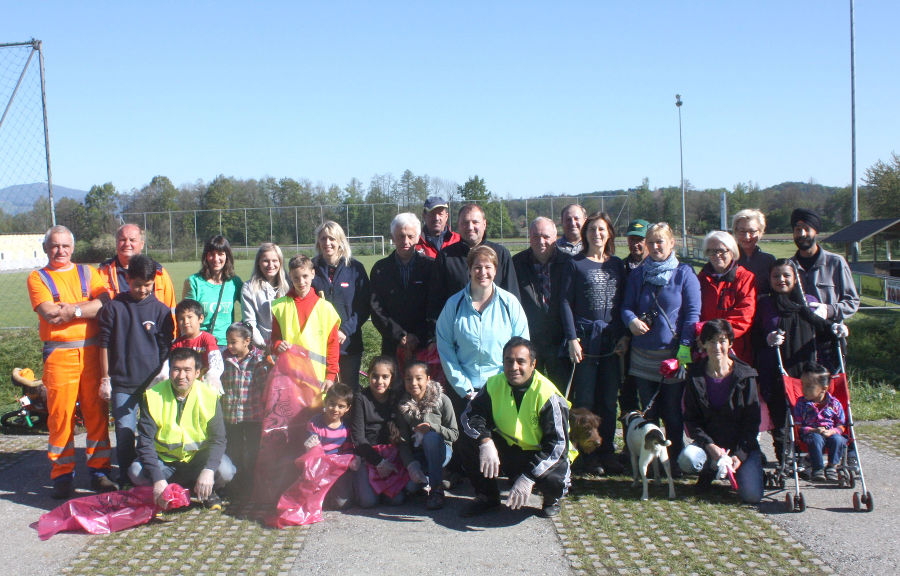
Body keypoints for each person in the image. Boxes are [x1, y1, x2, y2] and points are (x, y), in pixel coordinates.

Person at [27, 225, 115, 498]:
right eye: (54, 245)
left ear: (73, 248)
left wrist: (73, 309)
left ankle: (100, 471)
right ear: (45, 248)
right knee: (60, 417)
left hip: (92, 353)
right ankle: (62, 475)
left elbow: (104, 302)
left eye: (65, 246)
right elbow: (50, 314)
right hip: (59, 355)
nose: (60, 251)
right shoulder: (37, 278)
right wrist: (85, 309)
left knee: (96, 414)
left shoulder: (89, 272)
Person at [460, 337, 574, 518]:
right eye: (509, 361)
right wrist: (485, 441)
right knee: (468, 440)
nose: (514, 367)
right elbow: (471, 415)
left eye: (521, 361)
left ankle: (551, 499)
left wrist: (528, 478)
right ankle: (487, 496)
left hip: (541, 454)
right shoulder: (493, 384)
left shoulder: (548, 394)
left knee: (554, 481)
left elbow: (557, 446)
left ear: (533, 364)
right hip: (509, 449)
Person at [621, 222, 701, 470]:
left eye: (660, 242)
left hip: (672, 357)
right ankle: (652, 463)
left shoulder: (684, 274)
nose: (655, 247)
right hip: (643, 357)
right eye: (651, 242)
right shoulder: (638, 274)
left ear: (671, 243)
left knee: (673, 413)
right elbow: (625, 307)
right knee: (650, 413)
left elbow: (692, 314)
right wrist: (631, 320)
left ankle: (675, 459)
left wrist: (684, 350)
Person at [754, 259, 845, 461]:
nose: (781, 280)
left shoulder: (809, 301)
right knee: (779, 413)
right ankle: (784, 457)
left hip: (805, 368)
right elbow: (756, 334)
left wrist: (836, 330)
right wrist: (768, 339)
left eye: (786, 275)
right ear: (769, 279)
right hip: (774, 367)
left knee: (808, 413)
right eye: (776, 276)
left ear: (795, 279)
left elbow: (821, 329)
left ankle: (812, 456)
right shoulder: (764, 304)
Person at [98, 254, 175, 485]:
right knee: (124, 434)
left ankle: (152, 475)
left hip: (153, 386)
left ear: (154, 282)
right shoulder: (114, 308)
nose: (142, 290)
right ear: (127, 280)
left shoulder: (161, 311)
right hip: (123, 384)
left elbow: (166, 348)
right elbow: (103, 345)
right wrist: (105, 379)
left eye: (148, 285)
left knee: (152, 433)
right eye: (137, 284)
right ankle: (126, 479)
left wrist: (164, 375)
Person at [560, 212, 628, 475]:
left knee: (609, 399)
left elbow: (622, 304)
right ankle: (586, 454)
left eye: (601, 230)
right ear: (585, 234)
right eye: (591, 230)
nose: (596, 234)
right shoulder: (575, 264)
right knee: (585, 399)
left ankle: (607, 451)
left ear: (609, 233)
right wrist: (572, 338)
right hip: (585, 340)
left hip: (611, 341)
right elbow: (565, 302)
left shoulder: (617, 265)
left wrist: (623, 336)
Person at [130, 347, 235, 510]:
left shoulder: (209, 396)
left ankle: (207, 489)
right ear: (169, 370)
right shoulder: (153, 396)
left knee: (226, 471)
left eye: (187, 370)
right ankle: (164, 491)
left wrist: (208, 470)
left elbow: (218, 439)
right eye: (176, 369)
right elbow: (145, 441)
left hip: (197, 461)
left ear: (198, 372)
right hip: (165, 462)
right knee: (136, 472)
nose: (181, 376)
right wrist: (157, 478)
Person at [436, 245, 530, 423]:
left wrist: (503, 383)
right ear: (469, 270)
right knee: (466, 447)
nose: (482, 272)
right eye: (477, 267)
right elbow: (445, 347)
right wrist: (464, 388)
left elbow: (522, 347)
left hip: (503, 389)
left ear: (495, 270)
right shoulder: (453, 304)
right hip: (464, 393)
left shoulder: (510, 303)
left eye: (488, 267)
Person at [678, 319, 764, 504]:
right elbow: (691, 420)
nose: (717, 346)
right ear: (703, 344)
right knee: (687, 459)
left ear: (730, 343)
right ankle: (709, 468)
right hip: (710, 444)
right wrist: (710, 446)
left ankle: (743, 468)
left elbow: (752, 423)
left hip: (741, 444)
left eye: (722, 340)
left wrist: (739, 456)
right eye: (711, 341)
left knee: (752, 496)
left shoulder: (746, 375)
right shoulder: (694, 376)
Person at [428, 204, 519, 324]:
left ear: (484, 224)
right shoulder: (445, 256)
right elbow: (435, 301)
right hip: (457, 331)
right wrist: (434, 337)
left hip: (496, 330)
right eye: (465, 223)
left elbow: (512, 297)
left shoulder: (501, 254)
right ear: (458, 226)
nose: (470, 227)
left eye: (475, 222)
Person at [512, 216, 571, 388]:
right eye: (536, 236)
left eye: (546, 236)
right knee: (528, 389)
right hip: (530, 339)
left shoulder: (568, 263)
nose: (541, 241)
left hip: (559, 340)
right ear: (529, 237)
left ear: (556, 237)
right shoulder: (517, 263)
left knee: (560, 391)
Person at [312, 221, 371, 390]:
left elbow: (364, 306)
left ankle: (352, 418)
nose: (327, 243)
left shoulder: (355, 268)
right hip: (318, 346)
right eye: (323, 238)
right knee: (321, 393)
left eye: (332, 238)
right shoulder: (311, 268)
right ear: (318, 242)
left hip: (348, 346)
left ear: (340, 241)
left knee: (347, 392)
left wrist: (345, 330)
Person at [394, 360, 459, 510]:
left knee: (430, 438)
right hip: (419, 454)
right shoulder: (403, 406)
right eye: (408, 379)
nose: (413, 383)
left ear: (428, 379)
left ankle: (436, 490)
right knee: (411, 488)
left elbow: (454, 434)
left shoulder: (442, 400)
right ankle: (441, 477)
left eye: (419, 378)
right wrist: (411, 465)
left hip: (441, 450)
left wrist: (433, 428)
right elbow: (403, 441)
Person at [271, 254, 341, 390]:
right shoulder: (280, 307)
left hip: (318, 379)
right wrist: (278, 345)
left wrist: (331, 375)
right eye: (296, 277)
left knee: (317, 411)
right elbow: (274, 339)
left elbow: (332, 345)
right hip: (289, 377)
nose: (301, 282)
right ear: (290, 276)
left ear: (313, 274)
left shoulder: (326, 308)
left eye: (305, 276)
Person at [370, 212, 435, 357]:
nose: (406, 241)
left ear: (418, 238)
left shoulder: (430, 267)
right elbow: (376, 309)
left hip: (423, 344)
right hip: (392, 345)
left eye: (410, 236)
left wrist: (418, 336)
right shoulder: (380, 269)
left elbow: (434, 305)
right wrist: (399, 335)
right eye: (401, 236)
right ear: (393, 238)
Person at [350, 356, 407, 508]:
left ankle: (380, 488)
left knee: (396, 500)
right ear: (368, 375)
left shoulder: (395, 398)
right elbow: (358, 438)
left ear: (392, 378)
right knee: (368, 502)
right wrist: (379, 462)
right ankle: (357, 483)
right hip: (367, 455)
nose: (379, 381)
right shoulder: (360, 399)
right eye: (375, 376)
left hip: (390, 456)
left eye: (385, 377)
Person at [221, 322, 268, 498]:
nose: (229, 346)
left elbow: (264, 388)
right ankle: (235, 487)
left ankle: (252, 486)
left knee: (252, 452)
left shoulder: (258, 360)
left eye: (233, 342)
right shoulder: (225, 359)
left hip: (253, 417)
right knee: (234, 451)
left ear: (247, 340)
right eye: (228, 342)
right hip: (231, 417)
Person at [790, 208, 860, 325]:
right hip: (799, 337)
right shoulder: (789, 266)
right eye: (797, 230)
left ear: (816, 231)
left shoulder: (836, 263)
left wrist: (829, 310)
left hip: (829, 335)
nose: (802, 234)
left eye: (807, 229)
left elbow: (852, 302)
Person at [697, 231, 757, 364]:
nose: (717, 255)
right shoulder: (700, 279)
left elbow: (744, 316)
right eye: (711, 251)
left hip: (734, 350)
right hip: (705, 348)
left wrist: (715, 336)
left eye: (721, 250)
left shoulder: (745, 278)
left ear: (732, 251)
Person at [97, 223, 177, 309]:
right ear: (116, 243)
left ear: (142, 244)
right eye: (123, 240)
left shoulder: (159, 273)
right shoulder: (102, 273)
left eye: (132, 240)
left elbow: (171, 309)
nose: (127, 244)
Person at [183, 235, 243, 348]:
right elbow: (187, 316)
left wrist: (241, 329)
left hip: (227, 346)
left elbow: (249, 307)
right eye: (211, 254)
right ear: (206, 256)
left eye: (220, 254)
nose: (216, 259)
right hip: (201, 345)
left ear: (227, 256)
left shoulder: (235, 282)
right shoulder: (194, 282)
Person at [304, 383, 357, 508]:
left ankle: (336, 492)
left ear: (347, 408)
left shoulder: (347, 427)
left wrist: (349, 462)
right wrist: (310, 447)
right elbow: (312, 450)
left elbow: (348, 451)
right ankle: (324, 495)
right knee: (311, 500)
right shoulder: (315, 423)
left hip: (338, 469)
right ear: (325, 402)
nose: (335, 409)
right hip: (319, 466)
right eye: (332, 404)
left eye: (341, 406)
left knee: (341, 503)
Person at [794, 362, 847, 482]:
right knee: (816, 438)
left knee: (838, 439)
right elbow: (798, 425)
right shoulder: (801, 404)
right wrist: (813, 430)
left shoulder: (834, 404)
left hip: (830, 433)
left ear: (824, 388)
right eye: (802, 385)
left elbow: (841, 425)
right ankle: (817, 468)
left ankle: (832, 467)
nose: (803, 389)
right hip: (810, 433)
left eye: (809, 386)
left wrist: (832, 431)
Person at [168, 299, 224, 393]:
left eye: (190, 317)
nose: (186, 322)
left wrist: (212, 378)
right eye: (181, 319)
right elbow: (170, 367)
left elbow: (216, 362)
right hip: (184, 388)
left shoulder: (207, 339)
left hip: (205, 387)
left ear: (200, 318)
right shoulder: (177, 343)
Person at [241, 243, 290, 349]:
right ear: (258, 263)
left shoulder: (290, 285)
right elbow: (250, 323)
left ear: (280, 262)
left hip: (287, 346)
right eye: (265, 261)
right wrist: (265, 347)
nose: (270, 265)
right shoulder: (249, 287)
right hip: (262, 348)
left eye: (275, 261)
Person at [732, 209, 775, 296]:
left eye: (752, 231)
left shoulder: (769, 260)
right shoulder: (729, 259)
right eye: (742, 231)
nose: (747, 237)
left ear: (760, 232)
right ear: (735, 232)